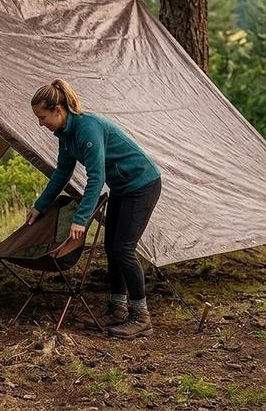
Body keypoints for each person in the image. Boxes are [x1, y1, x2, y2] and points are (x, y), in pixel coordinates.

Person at [27, 79, 162, 339]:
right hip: (123, 187)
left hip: (142, 184)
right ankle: (117, 308)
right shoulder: (65, 135)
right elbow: (62, 174)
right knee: (112, 248)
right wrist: (39, 206)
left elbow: (96, 177)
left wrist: (81, 218)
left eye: (42, 117)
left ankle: (141, 317)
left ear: (58, 110)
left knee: (124, 249)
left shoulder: (88, 127)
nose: (40, 124)